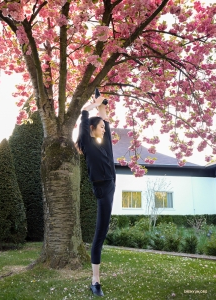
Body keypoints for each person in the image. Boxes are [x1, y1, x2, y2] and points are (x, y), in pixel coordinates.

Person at [76, 95, 116, 297]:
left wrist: (100, 100)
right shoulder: (86, 142)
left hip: (112, 184)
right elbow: (84, 113)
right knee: (100, 234)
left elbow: (104, 117)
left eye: (103, 126)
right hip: (102, 188)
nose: (103, 128)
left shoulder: (103, 140)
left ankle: (96, 279)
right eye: (100, 126)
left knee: (103, 231)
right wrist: (93, 103)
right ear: (92, 129)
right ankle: (95, 281)